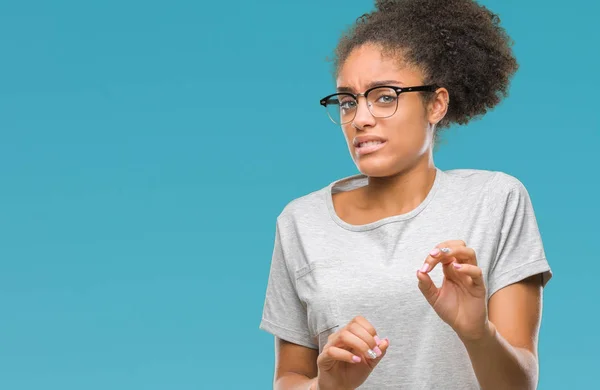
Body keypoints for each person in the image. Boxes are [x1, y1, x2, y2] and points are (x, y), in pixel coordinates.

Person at [259, 0, 552, 388]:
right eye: (348, 101)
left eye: (384, 96)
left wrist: (476, 332)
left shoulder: (495, 201)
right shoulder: (300, 222)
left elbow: (520, 385)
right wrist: (324, 386)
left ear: (436, 104)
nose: (360, 119)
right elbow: (290, 378)